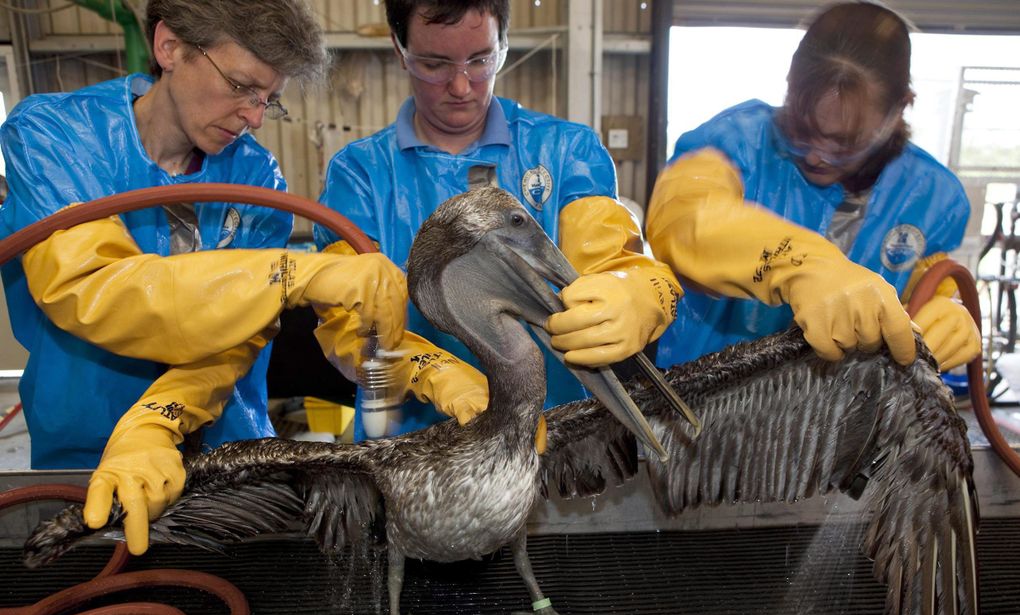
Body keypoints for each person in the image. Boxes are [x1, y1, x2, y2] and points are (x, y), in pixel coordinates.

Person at [0, 0, 410, 555]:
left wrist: (156, 420)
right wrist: (291, 272)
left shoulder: (257, 176)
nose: (254, 117)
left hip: (229, 453)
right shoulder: (53, 136)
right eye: (241, 85)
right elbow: (95, 288)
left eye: (269, 100)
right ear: (169, 47)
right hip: (88, 452)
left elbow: (235, 337)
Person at [316, 0, 681, 440]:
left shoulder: (567, 152)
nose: (461, 85)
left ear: (504, 44)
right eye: (434, 63)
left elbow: (608, 258)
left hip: (560, 437)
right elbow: (351, 323)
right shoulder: (360, 175)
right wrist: (437, 375)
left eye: (481, 59)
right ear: (400, 49)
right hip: (411, 447)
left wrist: (633, 290)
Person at [645, 2, 981, 374]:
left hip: (843, 415)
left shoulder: (933, 197)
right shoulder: (732, 143)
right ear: (790, 86)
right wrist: (800, 264)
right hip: (702, 400)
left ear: (898, 110)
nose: (817, 156)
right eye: (801, 131)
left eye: (845, 143)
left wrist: (946, 311)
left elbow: (927, 287)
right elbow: (685, 220)